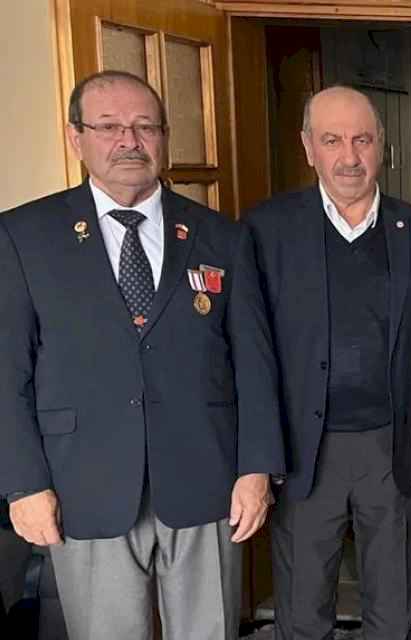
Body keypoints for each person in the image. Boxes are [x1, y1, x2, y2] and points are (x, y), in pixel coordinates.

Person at [0, 70, 284, 640]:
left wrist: (257, 468)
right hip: (85, 483)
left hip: (205, 479)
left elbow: (254, 364)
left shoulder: (221, 237)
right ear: (76, 137)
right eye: (109, 127)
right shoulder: (23, 236)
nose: (128, 141)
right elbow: (7, 371)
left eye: (144, 127)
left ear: (164, 137)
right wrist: (23, 484)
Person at [243, 86, 411, 640]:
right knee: (302, 610)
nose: (349, 157)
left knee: (392, 609)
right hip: (305, 451)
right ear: (308, 147)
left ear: (382, 146)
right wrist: (259, 458)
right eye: (332, 140)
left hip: (393, 448)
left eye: (362, 140)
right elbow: (250, 350)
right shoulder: (265, 231)